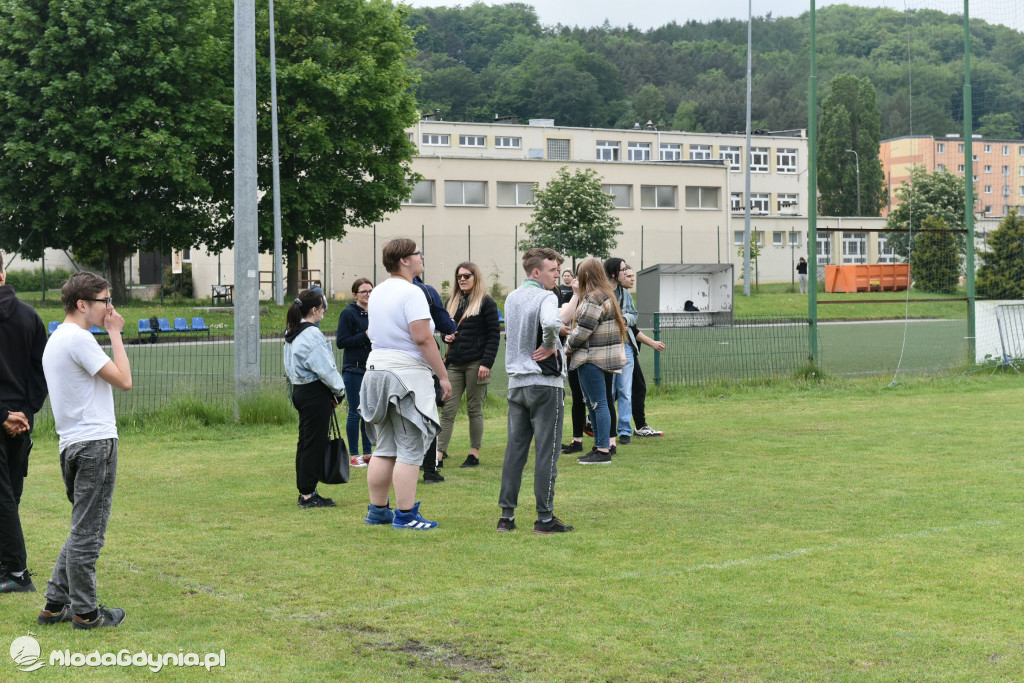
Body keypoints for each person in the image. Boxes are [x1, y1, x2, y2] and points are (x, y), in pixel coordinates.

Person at [39, 272, 132, 629]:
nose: (110, 307)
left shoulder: (57, 339)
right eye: (105, 301)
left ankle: (54, 603)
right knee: (89, 534)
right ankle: (86, 612)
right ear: (83, 304)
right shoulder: (80, 339)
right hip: (95, 444)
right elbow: (124, 381)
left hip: (72, 445)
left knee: (81, 527)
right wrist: (115, 334)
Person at [360, 239, 451, 530]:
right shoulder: (412, 292)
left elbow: (372, 331)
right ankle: (406, 515)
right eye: (417, 254)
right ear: (404, 260)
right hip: (405, 376)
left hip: (375, 370)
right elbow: (423, 338)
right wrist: (443, 375)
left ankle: (378, 511)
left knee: (385, 446)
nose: (421, 257)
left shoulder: (377, 293)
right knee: (411, 448)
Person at [497, 248, 574, 534]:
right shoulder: (546, 296)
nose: (557, 275)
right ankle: (544, 519)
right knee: (547, 452)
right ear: (536, 272)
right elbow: (552, 322)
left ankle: (506, 517)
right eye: (553, 270)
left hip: (516, 385)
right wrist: (550, 345)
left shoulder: (512, 297)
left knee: (515, 451)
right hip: (544, 385)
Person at [0, 253, 47, 594]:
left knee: (4, 498)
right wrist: (26, 414)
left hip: (8, 418)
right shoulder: (31, 316)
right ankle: (7, 564)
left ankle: (16, 572)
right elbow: (41, 374)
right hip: (20, 421)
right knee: (10, 495)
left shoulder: (31, 317)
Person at [284, 289, 346, 508]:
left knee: (305, 443)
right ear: (314, 310)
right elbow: (326, 368)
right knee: (313, 444)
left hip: (299, 389)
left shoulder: (292, 331)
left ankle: (306, 490)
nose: (324, 311)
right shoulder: (312, 334)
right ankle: (308, 495)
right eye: (322, 308)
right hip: (314, 392)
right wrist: (339, 391)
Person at [565, 258, 627, 465]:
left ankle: (602, 450)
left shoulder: (593, 299)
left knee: (597, 404)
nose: (577, 279)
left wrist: (567, 348)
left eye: (580, 274)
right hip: (605, 359)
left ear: (587, 276)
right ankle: (601, 445)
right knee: (596, 404)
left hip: (591, 359)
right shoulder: (608, 296)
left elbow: (582, 331)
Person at [438, 262, 500, 469]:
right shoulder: (452, 301)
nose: (462, 279)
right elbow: (444, 330)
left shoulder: (486, 302)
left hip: (476, 363)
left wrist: (486, 363)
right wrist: (445, 337)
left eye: (467, 276)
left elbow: (493, 336)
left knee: (474, 409)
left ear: (476, 277)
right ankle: (438, 454)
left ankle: (474, 453)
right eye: (459, 276)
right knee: (448, 409)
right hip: (454, 363)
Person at [412, 273, 457, 483]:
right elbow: (445, 326)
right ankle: (430, 469)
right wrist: (451, 325)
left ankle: (409, 465)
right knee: (428, 415)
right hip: (421, 364)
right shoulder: (427, 291)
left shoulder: (382, 292)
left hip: (389, 366)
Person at [621, 267, 665, 438]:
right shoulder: (617, 297)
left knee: (632, 388)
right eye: (628, 276)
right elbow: (633, 329)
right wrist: (652, 343)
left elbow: (632, 328)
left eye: (633, 276)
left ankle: (638, 425)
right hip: (623, 350)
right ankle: (638, 426)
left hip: (629, 349)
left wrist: (652, 343)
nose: (632, 279)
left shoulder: (625, 297)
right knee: (629, 388)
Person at [336, 278, 374, 468]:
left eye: (370, 291)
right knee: (355, 412)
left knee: (369, 413)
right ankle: (354, 454)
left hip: (372, 368)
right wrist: (364, 336)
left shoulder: (376, 312)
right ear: (355, 294)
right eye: (363, 292)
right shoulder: (348, 314)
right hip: (354, 369)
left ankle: (368, 453)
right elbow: (341, 341)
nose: (367, 295)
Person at [604, 258, 638, 446]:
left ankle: (624, 429)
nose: (626, 273)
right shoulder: (600, 293)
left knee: (625, 390)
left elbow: (635, 315)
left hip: (625, 345)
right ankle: (607, 429)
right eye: (623, 269)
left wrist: (625, 319)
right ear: (613, 273)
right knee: (607, 391)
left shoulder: (625, 294)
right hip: (606, 347)